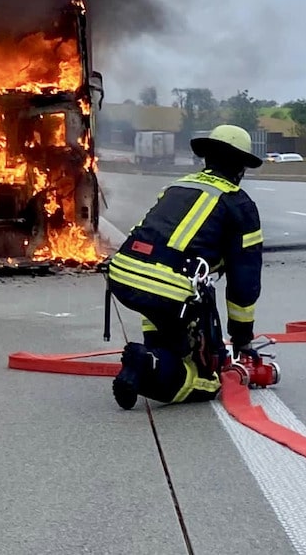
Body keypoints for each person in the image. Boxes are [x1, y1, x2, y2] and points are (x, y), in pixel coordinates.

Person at [106, 124, 264, 410]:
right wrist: (242, 341)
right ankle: (149, 364)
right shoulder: (239, 205)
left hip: (123, 274)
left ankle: (154, 352)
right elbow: (244, 284)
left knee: (165, 319)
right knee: (206, 379)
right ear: (241, 168)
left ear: (207, 160)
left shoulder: (178, 186)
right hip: (168, 289)